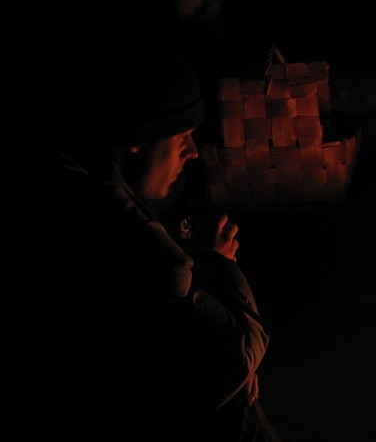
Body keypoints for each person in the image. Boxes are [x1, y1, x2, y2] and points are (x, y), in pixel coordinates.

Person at [12, 35, 282, 442]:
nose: (193, 151)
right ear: (137, 139)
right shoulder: (128, 247)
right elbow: (235, 359)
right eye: (181, 137)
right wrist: (219, 265)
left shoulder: (80, 196)